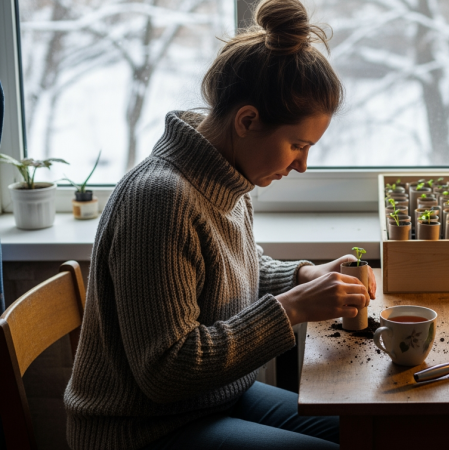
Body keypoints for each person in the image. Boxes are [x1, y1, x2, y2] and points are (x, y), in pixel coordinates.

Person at [63, 1, 370, 448]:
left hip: (211, 401)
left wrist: (306, 276)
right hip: (142, 427)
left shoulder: (226, 177)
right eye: (297, 145)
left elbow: (231, 273)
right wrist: (293, 308)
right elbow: (167, 372)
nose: (302, 165)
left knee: (368, 430)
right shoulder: (161, 200)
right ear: (247, 120)